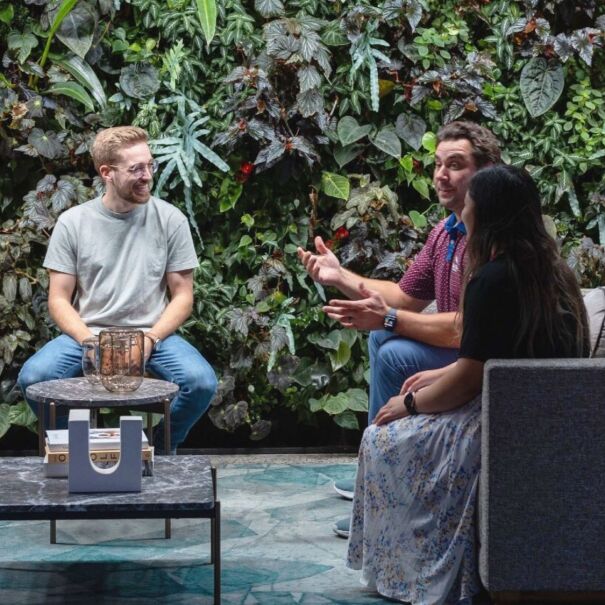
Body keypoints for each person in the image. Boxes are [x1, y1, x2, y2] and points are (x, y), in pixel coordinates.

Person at [346, 164, 589, 604]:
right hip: (538, 410)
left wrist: (412, 405)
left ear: (488, 214)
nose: (463, 215)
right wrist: (440, 373)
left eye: (470, 206)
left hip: (497, 419)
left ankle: (412, 572)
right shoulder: (553, 271)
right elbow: (501, 355)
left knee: (384, 439)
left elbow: (470, 379)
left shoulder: (492, 279)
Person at [297, 121, 501, 536]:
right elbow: (405, 296)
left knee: (393, 348)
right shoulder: (446, 232)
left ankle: (387, 489)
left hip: (486, 359)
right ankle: (380, 473)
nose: (441, 175)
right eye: (438, 164)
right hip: (461, 352)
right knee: (383, 336)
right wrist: (340, 276)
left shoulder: (490, 239)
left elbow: (466, 330)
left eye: (456, 165)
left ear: (486, 173)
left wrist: (387, 319)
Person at [17, 126, 217, 452]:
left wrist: (150, 339)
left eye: (150, 165)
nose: (147, 175)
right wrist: (88, 342)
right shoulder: (73, 222)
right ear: (106, 172)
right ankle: (74, 449)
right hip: (88, 333)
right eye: (136, 169)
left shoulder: (171, 219)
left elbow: (183, 295)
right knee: (33, 378)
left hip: (152, 332)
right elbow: (58, 299)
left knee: (201, 383)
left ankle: (158, 450)